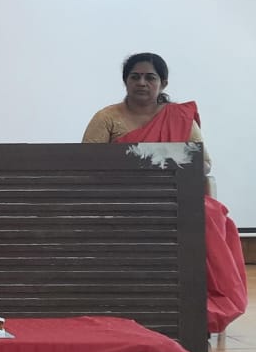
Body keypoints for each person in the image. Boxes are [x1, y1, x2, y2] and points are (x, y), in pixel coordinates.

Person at [82, 52, 247, 334]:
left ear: (163, 83)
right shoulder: (107, 117)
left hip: (171, 196)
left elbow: (203, 163)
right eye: (135, 77)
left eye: (150, 77)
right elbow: (86, 162)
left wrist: (160, 158)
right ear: (125, 81)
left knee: (209, 214)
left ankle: (201, 307)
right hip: (120, 198)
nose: (142, 83)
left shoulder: (179, 118)